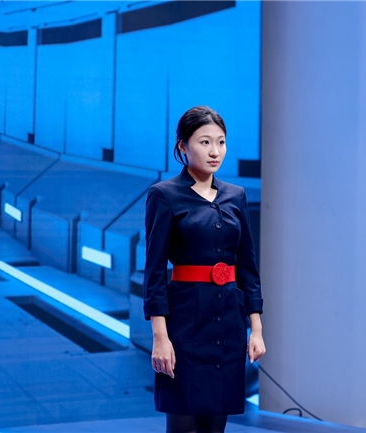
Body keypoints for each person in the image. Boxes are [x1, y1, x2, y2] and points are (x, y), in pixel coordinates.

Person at [143, 106, 266, 433]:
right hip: (184, 324)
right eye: (205, 142)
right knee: (182, 423)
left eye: (221, 142)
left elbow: (248, 267)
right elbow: (154, 271)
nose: (215, 151)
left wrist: (256, 328)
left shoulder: (235, 196)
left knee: (215, 426)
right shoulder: (163, 195)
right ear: (183, 146)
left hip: (228, 322)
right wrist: (160, 337)